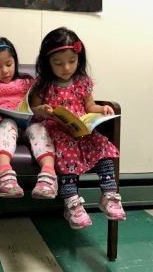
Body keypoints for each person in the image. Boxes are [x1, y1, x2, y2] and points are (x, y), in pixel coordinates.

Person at [31, 27, 126, 229]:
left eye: (72, 61)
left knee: (102, 144)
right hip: (57, 130)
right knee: (67, 151)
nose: (66, 67)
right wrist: (43, 110)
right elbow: (32, 109)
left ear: (79, 59)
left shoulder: (83, 82)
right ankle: (71, 203)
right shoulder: (43, 84)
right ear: (47, 63)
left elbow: (90, 106)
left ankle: (109, 195)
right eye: (58, 63)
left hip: (81, 128)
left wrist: (103, 109)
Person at [0, 36, 57, 199]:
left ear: (15, 61)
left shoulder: (27, 81)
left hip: (29, 124)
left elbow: (41, 94)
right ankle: (4, 174)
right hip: (5, 125)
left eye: (9, 64)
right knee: (7, 123)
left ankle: (48, 176)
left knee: (39, 129)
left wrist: (43, 106)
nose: (5, 71)